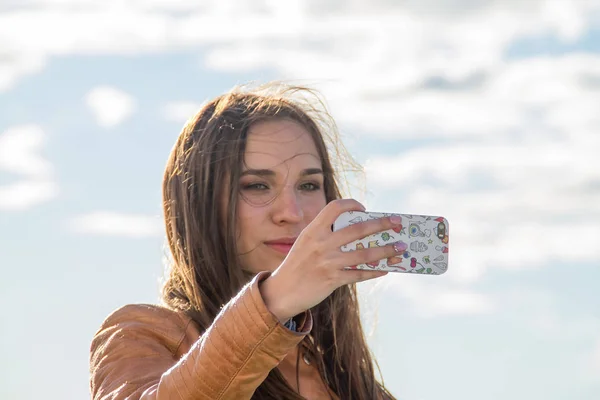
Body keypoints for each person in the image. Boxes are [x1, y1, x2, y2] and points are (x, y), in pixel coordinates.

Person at [89, 83, 407, 400]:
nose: (292, 212)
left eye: (309, 185)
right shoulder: (143, 337)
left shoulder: (356, 386)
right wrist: (274, 301)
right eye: (256, 186)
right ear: (201, 204)